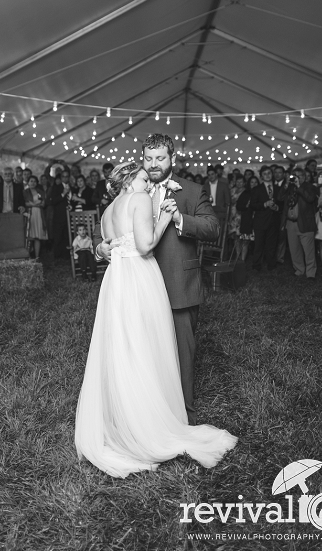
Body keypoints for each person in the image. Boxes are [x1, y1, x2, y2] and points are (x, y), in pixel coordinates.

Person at [76, 160, 236, 477]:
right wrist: (163, 217)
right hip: (137, 276)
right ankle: (148, 425)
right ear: (128, 180)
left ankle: (122, 423)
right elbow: (147, 246)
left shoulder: (108, 211)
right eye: (142, 178)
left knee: (122, 349)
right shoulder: (137, 199)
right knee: (144, 347)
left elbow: (111, 244)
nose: (147, 183)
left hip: (114, 282)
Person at [94, 134, 218, 426]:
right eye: (148, 159)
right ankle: (149, 416)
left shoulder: (190, 190)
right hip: (138, 288)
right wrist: (98, 249)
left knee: (182, 354)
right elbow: (115, 235)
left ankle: (183, 415)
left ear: (172, 159)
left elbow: (212, 227)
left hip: (177, 283)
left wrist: (180, 220)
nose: (153, 165)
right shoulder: (134, 192)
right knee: (142, 353)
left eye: (160, 158)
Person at [282, 166, 318, 279]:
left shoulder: (310, 187)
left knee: (309, 250)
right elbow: (280, 198)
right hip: (291, 223)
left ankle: (311, 273)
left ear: (304, 176)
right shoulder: (289, 187)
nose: (297, 178)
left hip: (305, 222)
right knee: (294, 249)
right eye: (295, 176)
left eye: (300, 176)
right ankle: (299, 269)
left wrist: (298, 186)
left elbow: (310, 198)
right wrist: (287, 185)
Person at [249, 167, 282, 271]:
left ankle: (271, 265)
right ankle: (256, 265)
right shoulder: (257, 189)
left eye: (269, 173)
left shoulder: (278, 189)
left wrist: (277, 208)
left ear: (272, 174)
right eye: (264, 174)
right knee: (258, 244)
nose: (267, 175)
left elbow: (282, 203)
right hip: (260, 221)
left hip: (273, 220)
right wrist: (264, 204)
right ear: (261, 176)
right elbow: (252, 205)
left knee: (271, 244)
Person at [236, 176, 259, 263]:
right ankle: (240, 259)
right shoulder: (245, 193)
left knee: (250, 242)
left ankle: (246, 260)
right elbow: (238, 206)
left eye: (256, 182)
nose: (254, 184)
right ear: (249, 183)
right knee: (243, 240)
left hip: (257, 220)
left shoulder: (261, 192)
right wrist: (246, 206)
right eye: (252, 182)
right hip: (246, 220)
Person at [24, 176, 47, 260]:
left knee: (37, 237)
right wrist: (35, 204)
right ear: (28, 182)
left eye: (34, 181)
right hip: (29, 213)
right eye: (31, 181)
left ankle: (37, 256)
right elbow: (25, 203)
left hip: (39, 214)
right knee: (29, 236)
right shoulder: (25, 192)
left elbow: (43, 204)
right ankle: (28, 256)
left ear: (37, 183)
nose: (33, 183)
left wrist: (32, 203)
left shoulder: (40, 192)